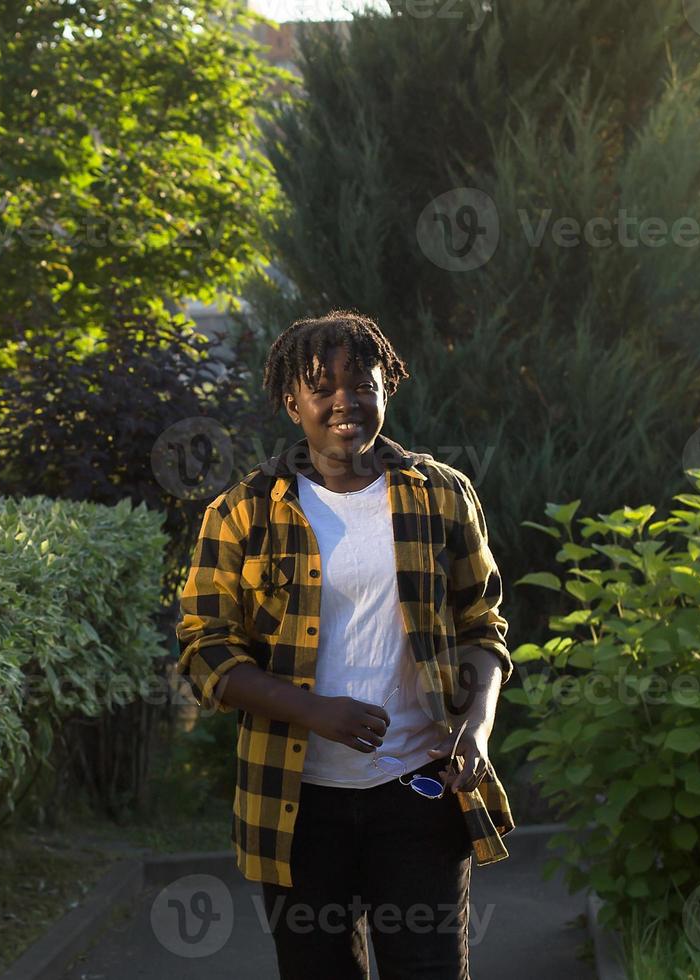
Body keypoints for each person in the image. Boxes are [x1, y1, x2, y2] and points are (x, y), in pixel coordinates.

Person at [174, 309, 515, 979]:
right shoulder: (243, 510)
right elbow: (205, 651)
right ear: (289, 400)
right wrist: (314, 711)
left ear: (388, 385)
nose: (343, 401)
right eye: (321, 386)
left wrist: (474, 731)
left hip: (418, 792)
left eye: (362, 381)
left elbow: (483, 627)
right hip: (297, 805)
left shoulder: (441, 495)